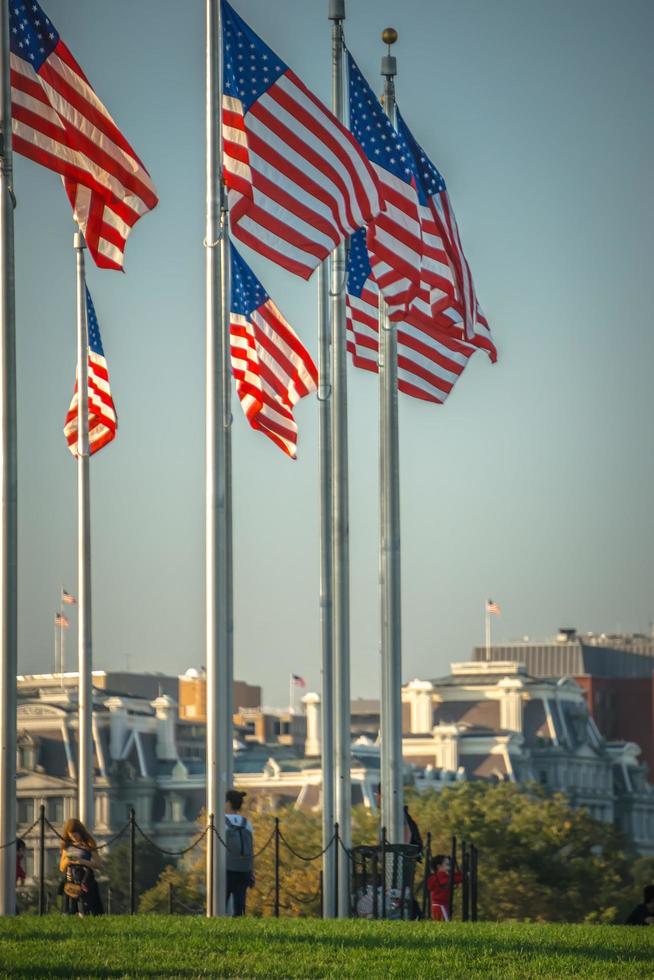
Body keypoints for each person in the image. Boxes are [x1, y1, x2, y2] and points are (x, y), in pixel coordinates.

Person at [59, 818, 103, 916]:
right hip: (70, 878)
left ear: (80, 832)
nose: (74, 837)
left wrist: (83, 862)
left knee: (85, 907)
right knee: (69, 908)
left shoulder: (88, 844)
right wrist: (68, 861)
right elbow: (61, 867)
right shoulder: (67, 846)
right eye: (71, 835)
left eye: (75, 835)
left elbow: (99, 864)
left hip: (84, 878)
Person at [224, 789, 254, 917]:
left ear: (228, 803)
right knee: (240, 905)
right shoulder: (247, 823)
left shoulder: (221, 821)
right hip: (243, 869)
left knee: (221, 902)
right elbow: (251, 848)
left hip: (226, 868)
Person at [427, 853, 462, 921]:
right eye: (446, 864)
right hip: (441, 905)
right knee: (444, 925)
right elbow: (453, 879)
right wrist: (463, 876)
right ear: (439, 866)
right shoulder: (441, 877)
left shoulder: (435, 877)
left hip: (437, 905)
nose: (449, 866)